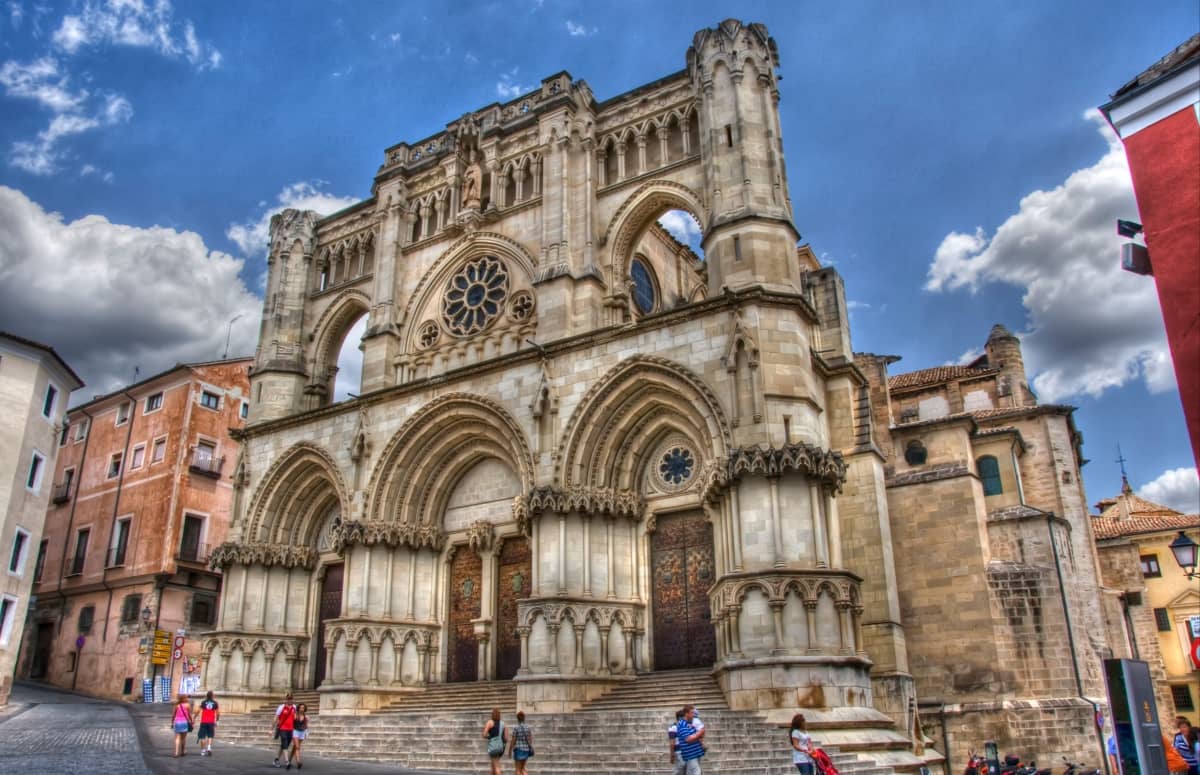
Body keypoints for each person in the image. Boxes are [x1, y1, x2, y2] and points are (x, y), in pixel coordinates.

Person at [676, 704, 705, 774]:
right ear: (686, 714)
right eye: (692, 713)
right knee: (697, 772)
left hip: (696, 752)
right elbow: (688, 739)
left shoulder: (692, 723)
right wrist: (700, 732)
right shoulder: (682, 724)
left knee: (691, 772)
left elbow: (700, 735)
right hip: (690, 754)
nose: (694, 714)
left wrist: (700, 734)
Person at [273, 692, 297, 769]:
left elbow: (295, 718)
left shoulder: (294, 707)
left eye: (291, 699)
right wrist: (271, 728)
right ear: (286, 699)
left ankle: (276, 759)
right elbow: (275, 718)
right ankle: (287, 762)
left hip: (291, 729)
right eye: (288, 699)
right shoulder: (281, 707)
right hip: (282, 728)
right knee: (285, 744)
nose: (290, 700)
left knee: (284, 745)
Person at [483, 707, 507, 775]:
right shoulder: (502, 723)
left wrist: (490, 737)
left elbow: (484, 734)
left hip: (493, 747)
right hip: (500, 747)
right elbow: (506, 737)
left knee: (496, 767)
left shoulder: (490, 722)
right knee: (493, 766)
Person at [508, 709, 534, 773]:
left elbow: (513, 740)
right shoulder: (528, 728)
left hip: (518, 750)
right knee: (523, 769)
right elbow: (530, 740)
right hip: (526, 750)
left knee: (518, 769)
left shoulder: (516, 728)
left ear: (517, 719)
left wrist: (510, 750)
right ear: (524, 718)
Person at [196, 690, 219, 756]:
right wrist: (217, 721)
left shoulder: (203, 702)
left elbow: (198, 711)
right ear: (212, 696)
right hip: (211, 722)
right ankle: (209, 748)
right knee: (210, 735)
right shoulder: (215, 703)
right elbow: (218, 713)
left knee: (202, 736)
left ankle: (203, 751)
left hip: (203, 721)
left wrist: (194, 717)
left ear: (207, 695)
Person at [291, 702, 309, 770]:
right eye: (301, 708)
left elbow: (306, 726)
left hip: (302, 732)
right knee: (297, 747)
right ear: (298, 708)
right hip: (295, 731)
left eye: (303, 708)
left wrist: (306, 733)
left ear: (305, 709)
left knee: (295, 747)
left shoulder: (306, 717)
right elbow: (291, 723)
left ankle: (289, 759)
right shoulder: (295, 715)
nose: (302, 709)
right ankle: (298, 762)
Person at [669, 709, 685, 775]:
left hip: (682, 752)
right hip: (679, 753)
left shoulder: (683, 726)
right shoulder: (673, 727)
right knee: (679, 771)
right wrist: (672, 755)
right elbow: (672, 742)